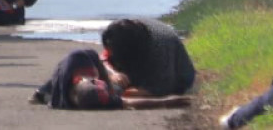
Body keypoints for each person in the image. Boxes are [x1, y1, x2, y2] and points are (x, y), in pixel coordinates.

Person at [32, 48, 191, 110]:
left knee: (118, 83)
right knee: (119, 90)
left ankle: (41, 91)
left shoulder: (78, 59)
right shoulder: (95, 98)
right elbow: (129, 103)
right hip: (88, 86)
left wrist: (109, 74)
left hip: (91, 60)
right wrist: (165, 102)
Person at [100, 18, 196, 97]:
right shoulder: (117, 32)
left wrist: (121, 93)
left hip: (177, 77)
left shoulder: (159, 49)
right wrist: (112, 73)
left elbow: (160, 88)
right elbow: (104, 58)